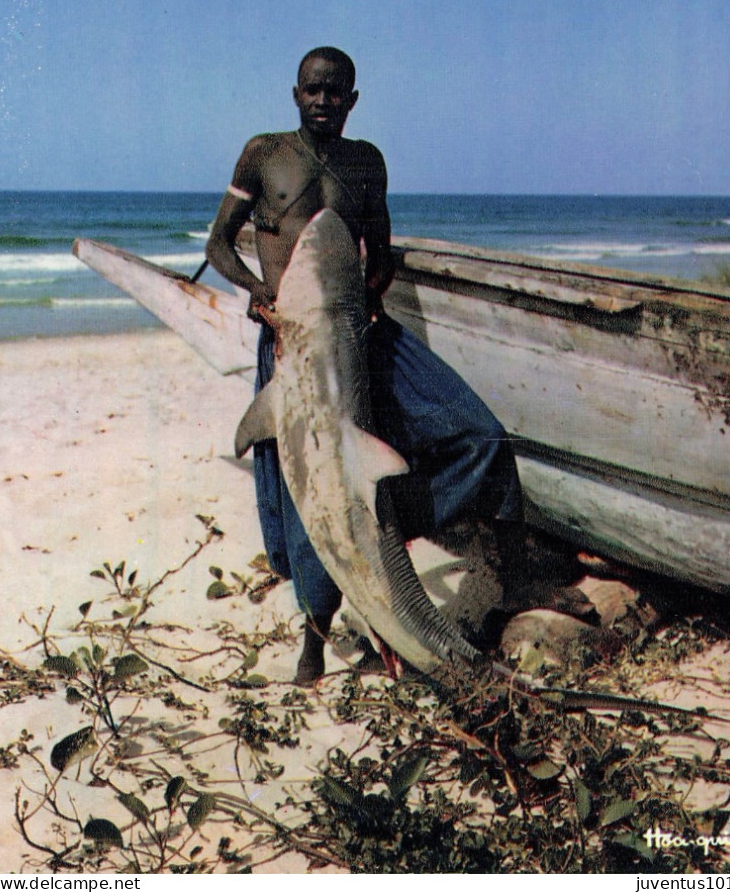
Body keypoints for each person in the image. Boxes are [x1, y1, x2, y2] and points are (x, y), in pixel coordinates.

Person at [206, 47, 526, 684]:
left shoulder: (367, 163)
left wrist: (368, 300)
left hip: (360, 331)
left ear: (353, 100)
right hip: (292, 338)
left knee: (481, 436)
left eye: (336, 92)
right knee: (307, 493)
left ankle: (404, 539)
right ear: (294, 94)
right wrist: (260, 294)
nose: (323, 101)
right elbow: (218, 243)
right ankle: (314, 641)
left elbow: (381, 255)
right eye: (312, 90)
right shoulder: (264, 153)